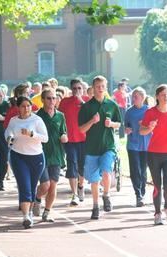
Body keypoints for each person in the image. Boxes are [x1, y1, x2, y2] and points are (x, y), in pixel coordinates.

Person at [78, 75, 121, 220]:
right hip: (91, 148)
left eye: (103, 86)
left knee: (106, 171)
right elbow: (81, 129)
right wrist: (92, 121)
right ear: (93, 88)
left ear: (106, 87)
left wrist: (112, 124)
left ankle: (106, 195)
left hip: (108, 146)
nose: (101, 89)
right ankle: (95, 206)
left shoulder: (112, 105)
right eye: (98, 86)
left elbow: (119, 124)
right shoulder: (86, 107)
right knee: (95, 180)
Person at [140, 84, 167, 225]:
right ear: (157, 96)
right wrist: (149, 127)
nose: (166, 97)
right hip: (154, 154)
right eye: (163, 94)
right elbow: (141, 131)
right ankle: (157, 214)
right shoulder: (151, 112)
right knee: (157, 185)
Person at [5, 96, 48, 228]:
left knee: (33, 186)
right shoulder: (13, 121)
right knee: (24, 185)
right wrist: (9, 138)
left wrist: (31, 134)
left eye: (28, 106)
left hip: (36, 157)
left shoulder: (37, 120)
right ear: (18, 108)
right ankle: (25, 216)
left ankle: (29, 211)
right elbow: (8, 132)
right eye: (23, 106)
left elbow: (45, 138)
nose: (26, 108)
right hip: (18, 156)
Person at [34, 89, 67, 222]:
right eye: (49, 98)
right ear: (42, 100)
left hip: (57, 155)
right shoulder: (37, 116)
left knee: (53, 185)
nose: (52, 101)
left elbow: (63, 132)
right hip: (41, 155)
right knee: (45, 185)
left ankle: (47, 212)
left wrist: (64, 136)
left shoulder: (60, 116)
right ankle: (37, 199)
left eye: (54, 98)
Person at [58, 78, 89, 206]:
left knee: (83, 167)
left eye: (79, 88)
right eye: (74, 88)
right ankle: (74, 194)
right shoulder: (65, 102)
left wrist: (81, 102)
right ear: (71, 89)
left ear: (83, 89)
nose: (77, 91)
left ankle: (81, 186)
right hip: (70, 140)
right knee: (72, 165)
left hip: (85, 139)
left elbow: (92, 116)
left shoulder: (87, 101)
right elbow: (59, 119)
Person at [124, 87, 151, 207]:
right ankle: (138, 194)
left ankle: (143, 192)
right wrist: (127, 130)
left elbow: (154, 126)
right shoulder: (129, 112)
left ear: (142, 98)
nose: (133, 98)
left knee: (143, 170)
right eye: (132, 96)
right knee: (135, 170)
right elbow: (126, 127)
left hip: (146, 145)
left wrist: (145, 125)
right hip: (133, 144)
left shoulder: (149, 111)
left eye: (136, 96)